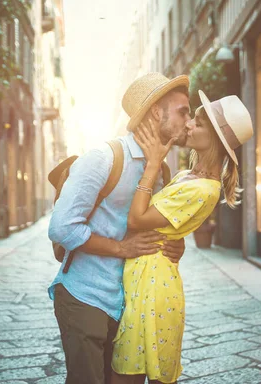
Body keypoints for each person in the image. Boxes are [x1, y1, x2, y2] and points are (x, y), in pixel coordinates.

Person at [48, 72, 194, 384]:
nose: (189, 119)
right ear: (156, 112)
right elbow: (61, 228)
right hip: (86, 295)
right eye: (183, 111)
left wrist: (175, 246)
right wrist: (119, 248)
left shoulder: (162, 169)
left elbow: (155, 227)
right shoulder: (104, 158)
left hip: (132, 304)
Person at [110, 90, 254, 384]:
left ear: (214, 139)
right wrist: (178, 239)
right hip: (145, 275)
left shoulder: (203, 188)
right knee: (129, 369)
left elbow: (137, 219)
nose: (188, 125)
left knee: (132, 375)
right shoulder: (188, 176)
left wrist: (152, 165)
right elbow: (165, 221)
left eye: (198, 123)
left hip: (154, 288)